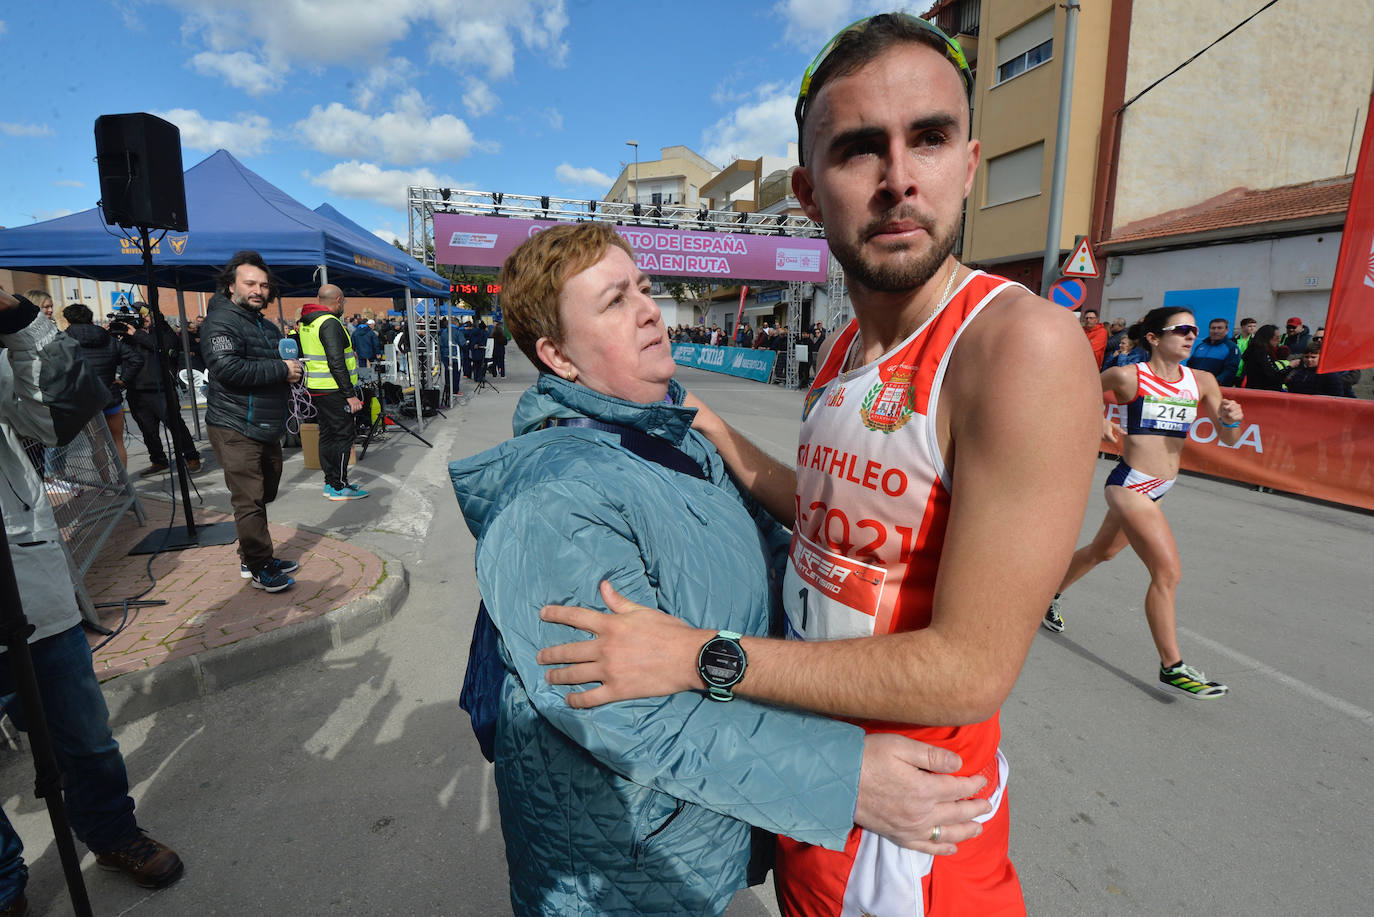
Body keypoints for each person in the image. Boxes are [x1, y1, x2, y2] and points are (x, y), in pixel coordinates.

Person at [534, 15, 1101, 915]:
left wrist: (697, 658)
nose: (900, 178)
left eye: (930, 137)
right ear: (808, 189)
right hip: (814, 789)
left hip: (907, 845)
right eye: (859, 150)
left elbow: (969, 669)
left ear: (970, 158)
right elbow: (832, 514)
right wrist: (716, 431)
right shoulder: (838, 352)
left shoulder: (1021, 346)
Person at [450, 222, 989, 917]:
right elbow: (630, 716)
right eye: (614, 301)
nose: (649, 308)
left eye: (643, 287)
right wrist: (844, 780)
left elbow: (782, 561)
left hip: (689, 843)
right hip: (619, 874)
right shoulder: (558, 496)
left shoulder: (667, 439)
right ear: (558, 356)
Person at [0, 287, 184, 917]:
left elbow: (60, 413)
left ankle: (111, 835)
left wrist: (18, 319)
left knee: (84, 739)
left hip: (27, 590)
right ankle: (3, 882)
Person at [1042, 307, 1244, 700]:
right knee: (1167, 573)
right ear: (1153, 337)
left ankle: (1045, 595)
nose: (1190, 336)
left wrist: (1231, 417)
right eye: (1182, 329)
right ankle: (1173, 667)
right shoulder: (1127, 376)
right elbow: (1073, 390)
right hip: (1129, 485)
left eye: (1194, 331)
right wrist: (1094, 416)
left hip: (1161, 486)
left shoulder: (1202, 381)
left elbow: (1231, 438)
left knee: (1102, 552)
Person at [200, 251, 303, 592]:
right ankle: (258, 565)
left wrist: (292, 371)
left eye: (263, 284)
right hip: (235, 424)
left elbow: (276, 364)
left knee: (265, 491)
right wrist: (280, 370)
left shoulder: (265, 324)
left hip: (266, 424)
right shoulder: (221, 321)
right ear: (231, 286)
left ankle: (252, 552)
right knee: (250, 499)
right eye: (250, 283)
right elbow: (227, 369)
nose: (258, 290)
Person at [298, 284, 368, 501]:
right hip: (334, 390)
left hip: (319, 389)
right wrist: (350, 394)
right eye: (344, 302)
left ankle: (332, 483)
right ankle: (337, 485)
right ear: (338, 300)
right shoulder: (329, 323)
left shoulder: (309, 322)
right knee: (343, 436)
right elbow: (336, 361)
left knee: (327, 435)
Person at [119, 306, 203, 477]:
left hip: (162, 390)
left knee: (176, 425)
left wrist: (137, 334)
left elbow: (162, 348)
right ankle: (158, 460)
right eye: (141, 316)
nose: (144, 319)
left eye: (146, 316)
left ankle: (191, 456)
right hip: (137, 391)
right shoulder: (130, 336)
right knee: (148, 430)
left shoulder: (165, 332)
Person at [61, 303, 144, 469]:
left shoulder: (63, 341)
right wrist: (123, 380)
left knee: (97, 443)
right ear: (91, 320)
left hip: (86, 400)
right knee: (118, 441)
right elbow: (136, 359)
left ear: (68, 321)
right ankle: (123, 482)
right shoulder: (108, 338)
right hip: (111, 395)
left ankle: (105, 487)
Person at [1235, 324, 1292, 391]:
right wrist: (1290, 366)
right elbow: (1273, 376)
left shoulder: (1256, 350)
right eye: (1277, 337)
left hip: (1255, 389)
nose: (1279, 340)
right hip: (1262, 392)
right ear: (1267, 338)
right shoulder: (1261, 353)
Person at [1186, 317, 1240, 385]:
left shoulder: (1232, 347)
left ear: (1227, 330)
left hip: (1216, 388)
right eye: (1213, 328)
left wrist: (1214, 382)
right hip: (1195, 386)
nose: (1216, 331)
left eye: (1219, 328)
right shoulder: (1201, 346)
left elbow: (1231, 370)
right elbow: (1190, 365)